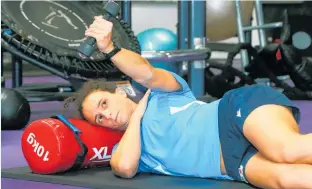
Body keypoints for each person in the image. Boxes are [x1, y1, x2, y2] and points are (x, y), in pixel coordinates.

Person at [64, 16, 312, 189]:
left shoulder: (163, 93)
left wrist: (109, 49)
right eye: (99, 118)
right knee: (287, 179)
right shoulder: (126, 149)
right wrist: (137, 116)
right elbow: (126, 168)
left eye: (104, 104)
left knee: (287, 150)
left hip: (234, 114)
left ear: (120, 92)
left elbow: (146, 72)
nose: (106, 116)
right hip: (231, 164)